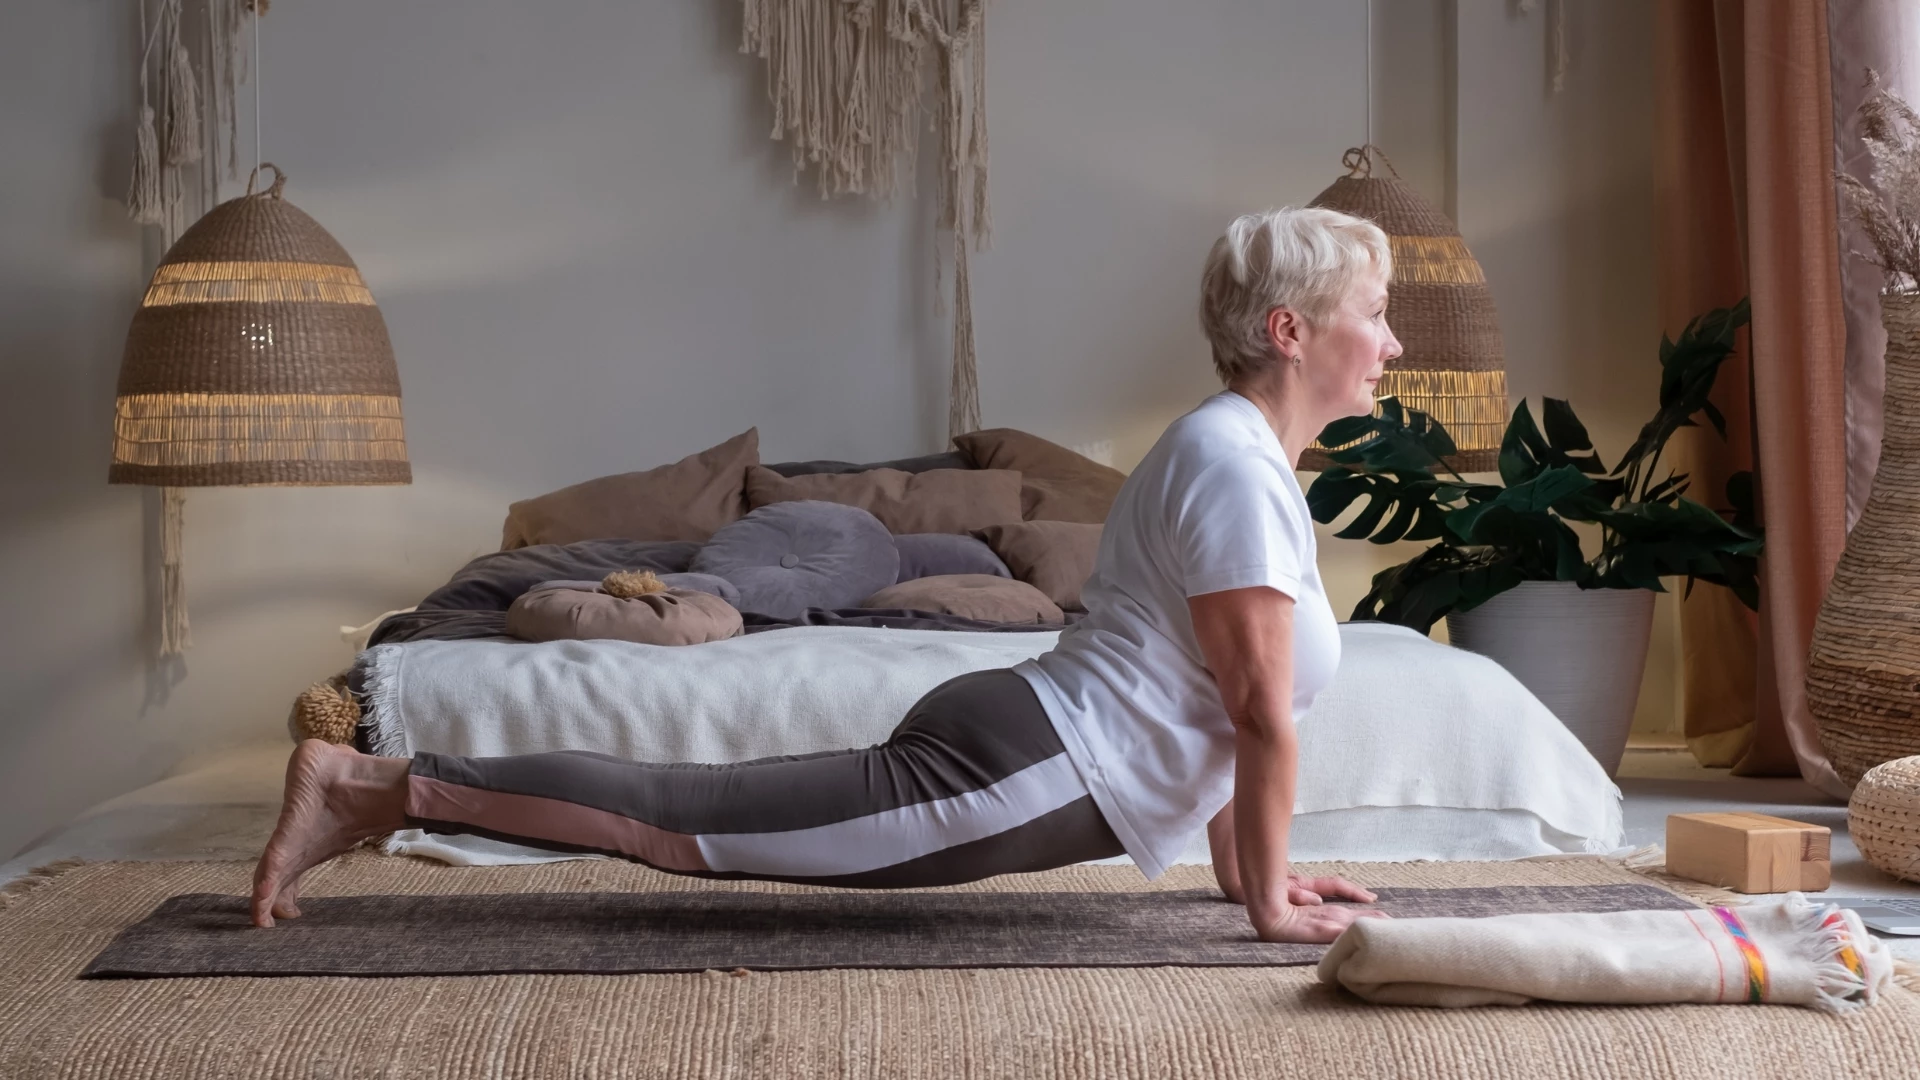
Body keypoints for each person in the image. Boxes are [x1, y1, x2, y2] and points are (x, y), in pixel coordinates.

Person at [250, 205, 1404, 945]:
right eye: (1376, 314)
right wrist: (1265, 898)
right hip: (1029, 764)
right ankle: (370, 786)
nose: (1394, 344)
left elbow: (1221, 703)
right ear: (1292, 331)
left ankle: (382, 786)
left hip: (1037, 743)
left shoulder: (1239, 455)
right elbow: (1254, 711)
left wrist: (1254, 876)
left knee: (692, 815)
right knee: (681, 821)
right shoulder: (1233, 462)